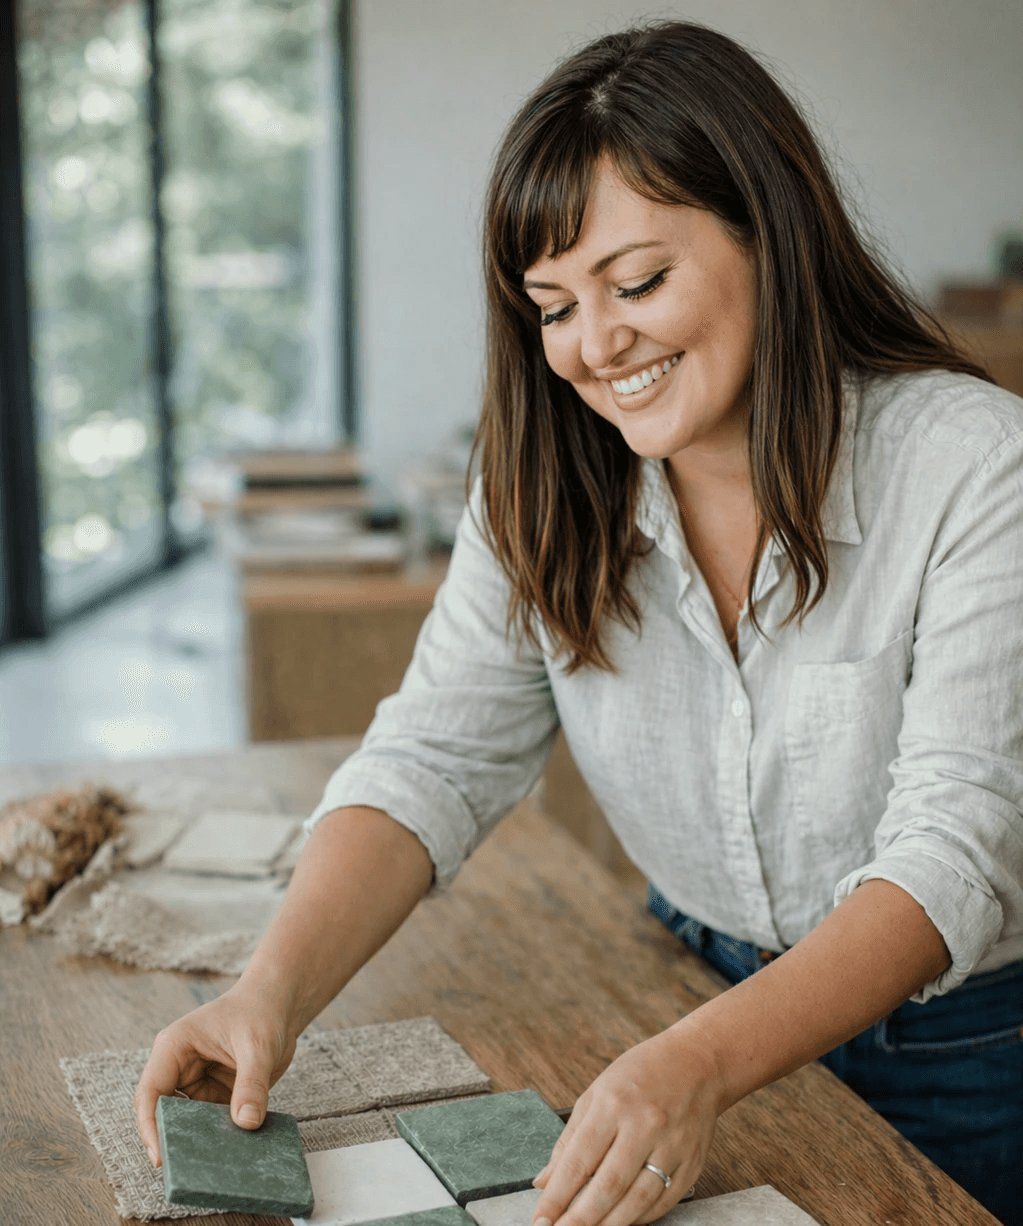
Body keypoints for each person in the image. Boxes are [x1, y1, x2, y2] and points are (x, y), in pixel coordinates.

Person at [135, 21, 1023, 1226]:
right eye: (552, 306)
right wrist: (266, 994)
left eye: (638, 281)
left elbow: (950, 855)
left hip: (963, 1043)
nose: (596, 348)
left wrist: (698, 1063)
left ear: (773, 231)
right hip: (681, 987)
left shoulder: (974, 466)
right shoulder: (539, 486)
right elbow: (433, 756)